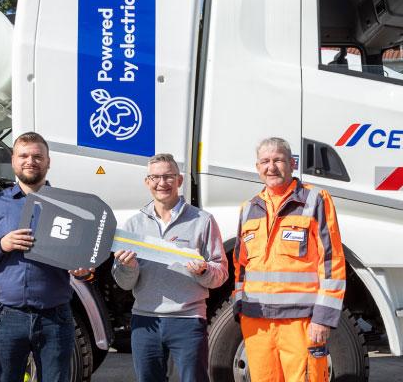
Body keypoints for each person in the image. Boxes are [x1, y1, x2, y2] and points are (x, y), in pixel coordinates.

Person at [0, 132, 91, 382]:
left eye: (37, 156)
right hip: (7, 318)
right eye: (24, 156)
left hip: (55, 317)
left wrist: (84, 269)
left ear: (48, 162)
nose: (30, 161)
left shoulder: (68, 205)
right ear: (13, 160)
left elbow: (84, 258)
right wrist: (1, 245)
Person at [232, 137, 346, 382]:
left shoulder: (316, 200)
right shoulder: (248, 208)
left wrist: (323, 318)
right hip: (256, 323)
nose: (271, 167)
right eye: (265, 161)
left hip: (302, 322)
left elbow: (332, 262)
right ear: (257, 167)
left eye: (278, 160)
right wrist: (240, 307)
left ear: (292, 163)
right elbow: (240, 267)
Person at [112, 153, 228, 382]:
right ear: (147, 182)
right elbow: (124, 282)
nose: (162, 183)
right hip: (145, 321)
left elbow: (221, 273)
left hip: (188, 320)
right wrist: (129, 266)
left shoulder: (202, 221)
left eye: (168, 176)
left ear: (180, 180)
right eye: (155, 177)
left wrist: (203, 271)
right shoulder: (134, 224)